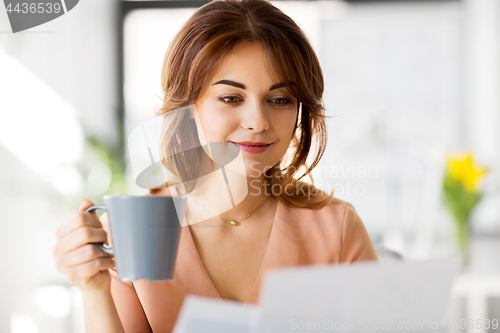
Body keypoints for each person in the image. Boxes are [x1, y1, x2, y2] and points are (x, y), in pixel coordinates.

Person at [53, 0, 378, 332]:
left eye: (279, 100)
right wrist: (95, 293)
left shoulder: (336, 228)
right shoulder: (128, 232)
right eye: (231, 98)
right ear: (188, 105)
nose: (258, 121)